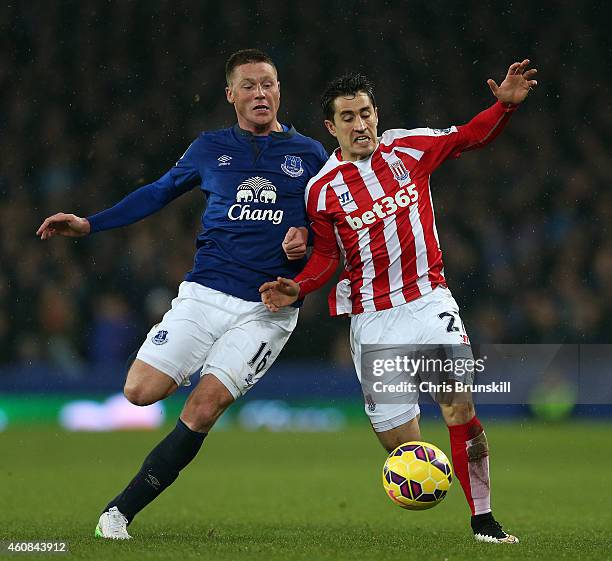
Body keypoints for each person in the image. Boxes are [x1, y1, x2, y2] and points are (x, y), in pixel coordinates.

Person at [37, 48, 328, 539]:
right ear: (231, 94)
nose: (262, 93)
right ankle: (200, 365)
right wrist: (90, 224)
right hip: (203, 295)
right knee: (139, 392)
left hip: (267, 308)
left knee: (203, 407)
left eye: (270, 84)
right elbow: (157, 191)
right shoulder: (209, 148)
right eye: (250, 85)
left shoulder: (310, 155)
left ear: (280, 90)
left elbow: (330, 225)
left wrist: (305, 237)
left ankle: (119, 513)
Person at [260, 59, 538, 544]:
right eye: (347, 117)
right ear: (331, 127)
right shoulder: (322, 191)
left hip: (429, 303)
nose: (360, 124)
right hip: (373, 322)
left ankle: (484, 521)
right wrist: (299, 287)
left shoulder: (406, 147)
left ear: (376, 113)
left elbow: (468, 136)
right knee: (403, 449)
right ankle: (434, 476)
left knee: (457, 405)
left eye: (365, 113)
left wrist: (504, 107)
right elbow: (327, 257)